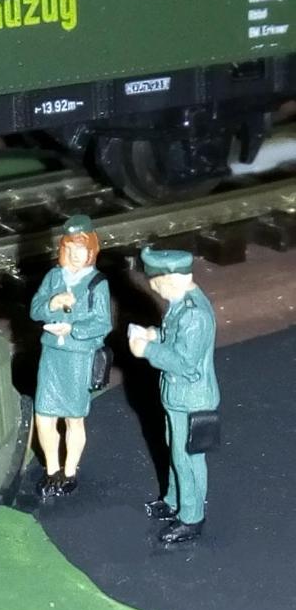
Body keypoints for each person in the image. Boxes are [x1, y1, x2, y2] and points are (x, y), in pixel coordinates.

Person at [129, 247, 219, 544]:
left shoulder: (194, 315)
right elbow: (177, 340)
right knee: (175, 452)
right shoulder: (182, 304)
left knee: (188, 459)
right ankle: (173, 500)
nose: (155, 290)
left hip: (191, 399)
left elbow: (184, 362)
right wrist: (155, 335)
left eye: (158, 284)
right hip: (179, 396)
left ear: (174, 279)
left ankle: (191, 517)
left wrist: (147, 349)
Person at [30, 215, 112, 497]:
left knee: (74, 419)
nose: (76, 255)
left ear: (91, 251)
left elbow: (103, 323)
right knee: (44, 416)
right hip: (52, 355)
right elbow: (35, 310)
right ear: (63, 249)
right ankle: (52, 470)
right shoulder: (54, 277)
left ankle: (69, 472)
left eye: (82, 250)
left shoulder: (97, 283)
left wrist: (73, 329)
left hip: (78, 357)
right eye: (71, 249)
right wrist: (52, 303)